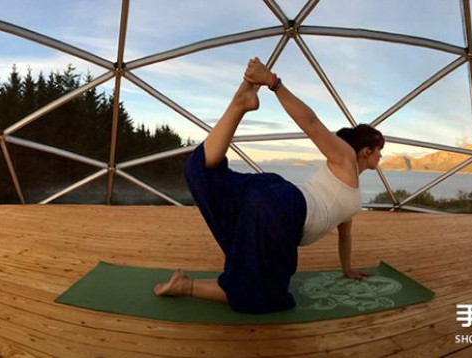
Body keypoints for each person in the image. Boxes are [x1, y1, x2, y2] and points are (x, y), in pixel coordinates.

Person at [154, 57, 385, 314]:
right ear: (365, 151)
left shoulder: (348, 188)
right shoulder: (346, 159)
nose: (381, 156)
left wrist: (347, 269)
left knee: (201, 173)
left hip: (275, 197)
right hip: (285, 209)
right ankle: (188, 287)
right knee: (264, 295)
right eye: (379, 150)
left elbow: (345, 234)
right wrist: (273, 83)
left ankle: (239, 104)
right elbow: (311, 123)